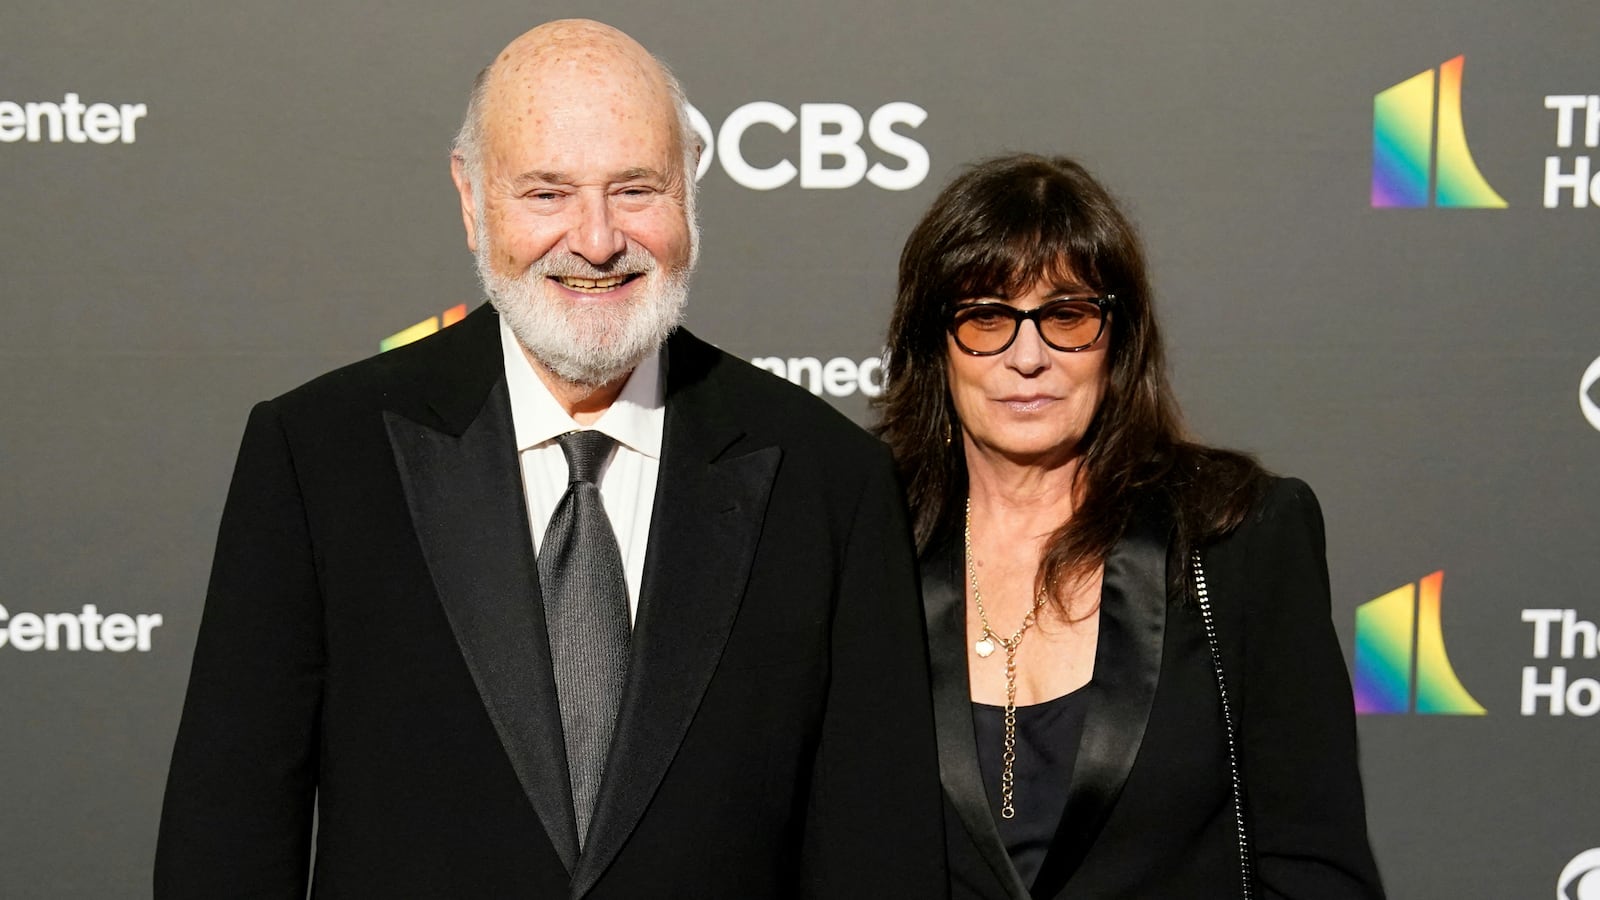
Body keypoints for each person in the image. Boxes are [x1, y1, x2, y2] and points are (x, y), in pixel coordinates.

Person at [154, 19, 944, 899]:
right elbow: (225, 847)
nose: (598, 240)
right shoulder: (319, 459)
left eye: (636, 189)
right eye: (547, 194)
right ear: (470, 199)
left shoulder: (827, 483)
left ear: (691, 189)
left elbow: (882, 862)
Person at [877, 153, 1386, 899]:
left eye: (1067, 317)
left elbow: (1316, 867)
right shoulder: (865, 540)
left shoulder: (1236, 534)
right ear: (933, 345)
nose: (1028, 357)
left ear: (1119, 339)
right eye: (986, 317)